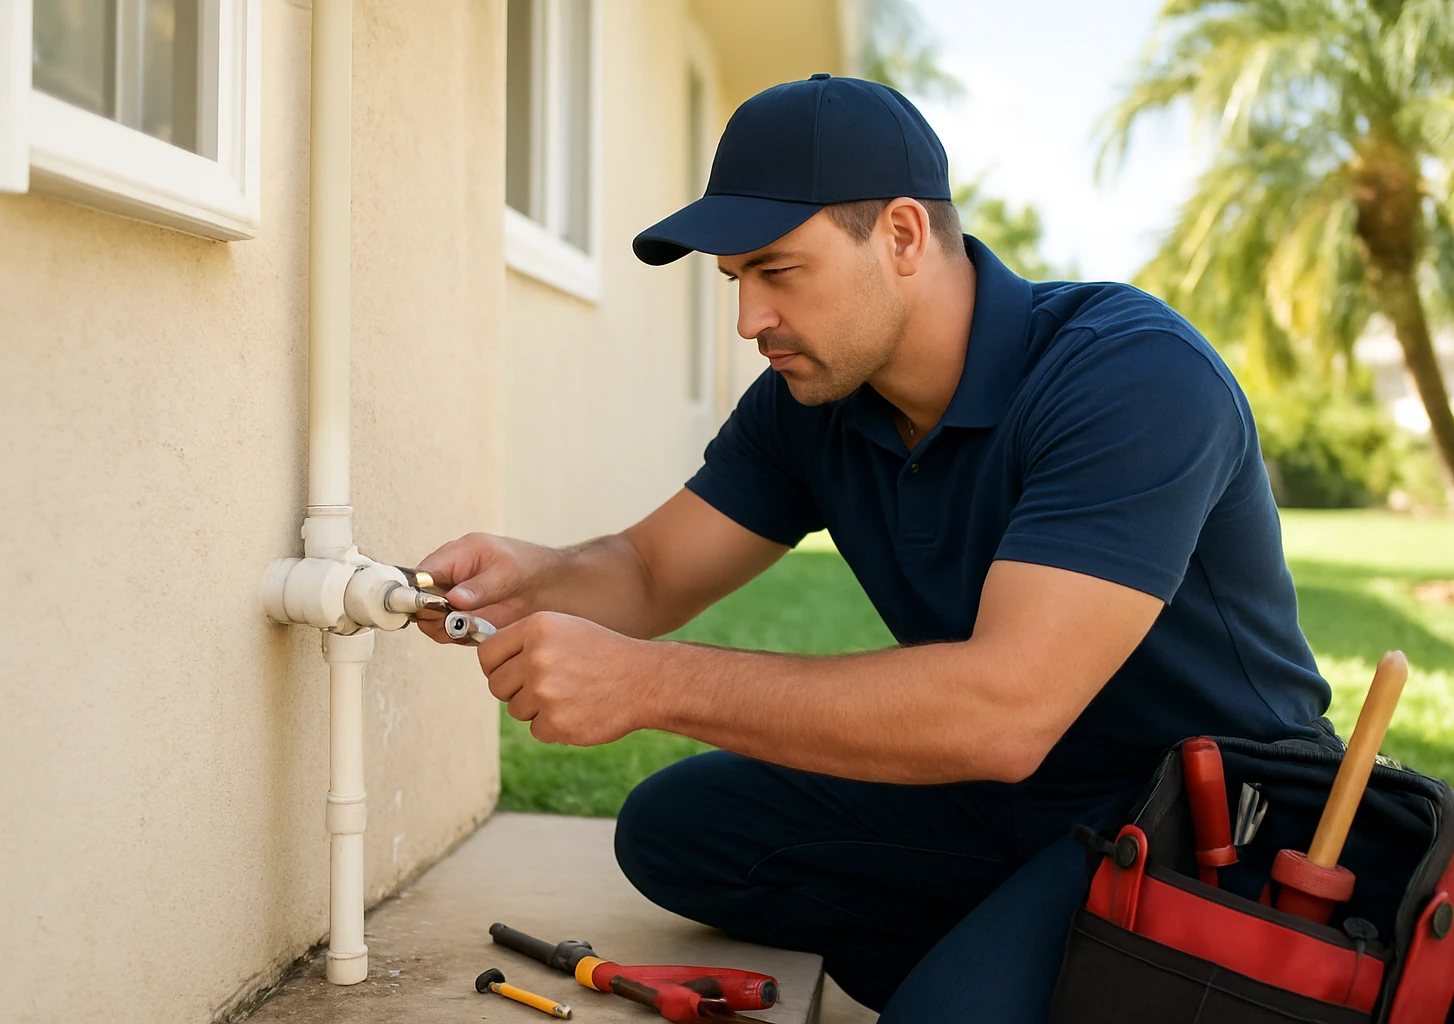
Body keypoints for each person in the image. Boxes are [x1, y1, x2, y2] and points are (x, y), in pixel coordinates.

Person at [417, 75, 1331, 1022]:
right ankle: (1025, 955)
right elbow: (649, 570)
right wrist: (536, 580)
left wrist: (647, 683)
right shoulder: (813, 401)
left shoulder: (1130, 375)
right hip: (1009, 799)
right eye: (737, 281)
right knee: (680, 833)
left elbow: (1003, 710)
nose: (749, 321)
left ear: (901, 235)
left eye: (778, 272)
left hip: (1216, 822)